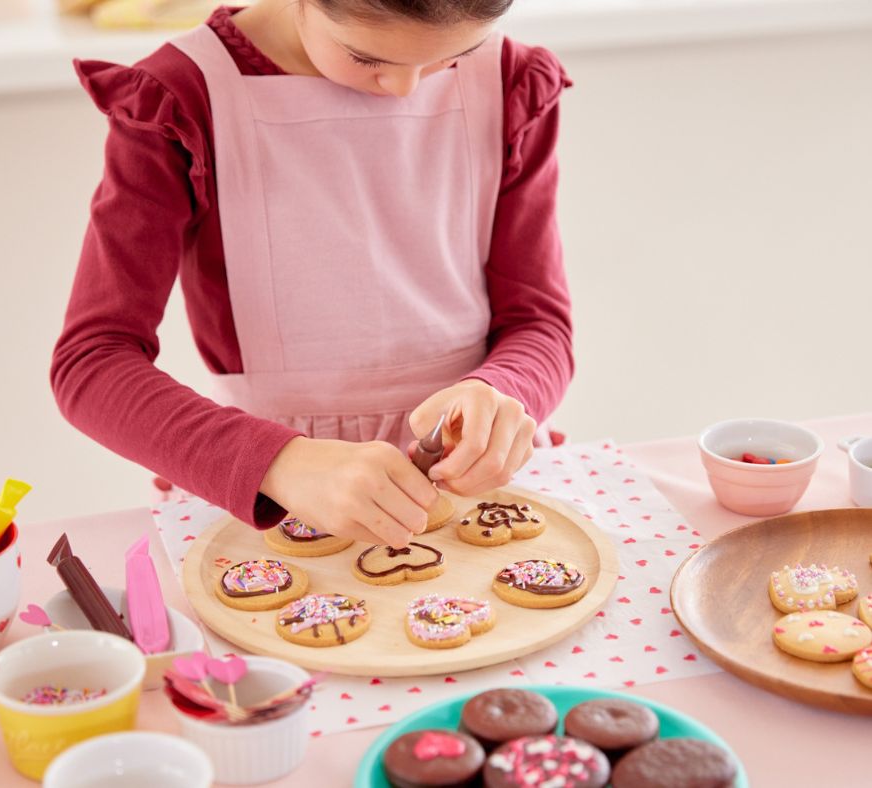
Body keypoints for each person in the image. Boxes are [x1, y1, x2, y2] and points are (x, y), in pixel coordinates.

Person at [51, 0, 573, 548]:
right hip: (268, 496)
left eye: (455, 55)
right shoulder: (185, 96)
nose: (405, 88)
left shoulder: (507, 82)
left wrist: (503, 391)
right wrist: (279, 463)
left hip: (477, 487)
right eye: (366, 58)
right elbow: (92, 363)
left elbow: (539, 324)